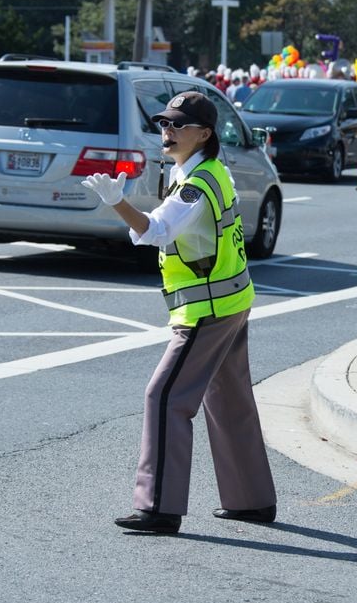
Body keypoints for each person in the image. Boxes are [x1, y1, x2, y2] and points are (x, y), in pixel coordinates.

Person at [82, 91, 276, 535]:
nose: (166, 131)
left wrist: (116, 201)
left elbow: (156, 230)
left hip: (207, 309)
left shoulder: (196, 184)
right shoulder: (207, 170)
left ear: (203, 134)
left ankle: (158, 507)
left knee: (164, 397)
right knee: (230, 401)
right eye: (164, 124)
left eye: (177, 125)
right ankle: (252, 500)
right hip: (231, 299)